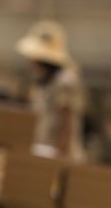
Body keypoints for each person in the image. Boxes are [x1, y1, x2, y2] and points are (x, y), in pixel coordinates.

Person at [16, 21, 85, 161]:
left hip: (62, 157)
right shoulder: (43, 84)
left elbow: (67, 122)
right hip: (45, 152)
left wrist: (59, 158)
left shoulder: (65, 82)